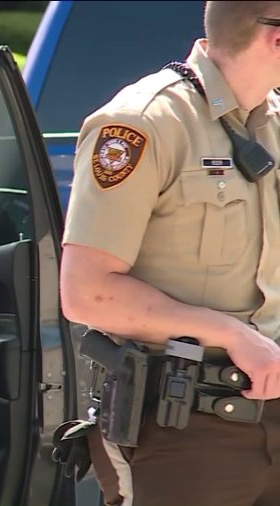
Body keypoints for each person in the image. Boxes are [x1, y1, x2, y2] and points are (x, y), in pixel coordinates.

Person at [60, 1, 280, 504]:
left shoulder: (274, 122)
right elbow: (87, 294)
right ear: (275, 37)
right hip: (184, 426)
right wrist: (229, 333)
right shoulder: (142, 123)